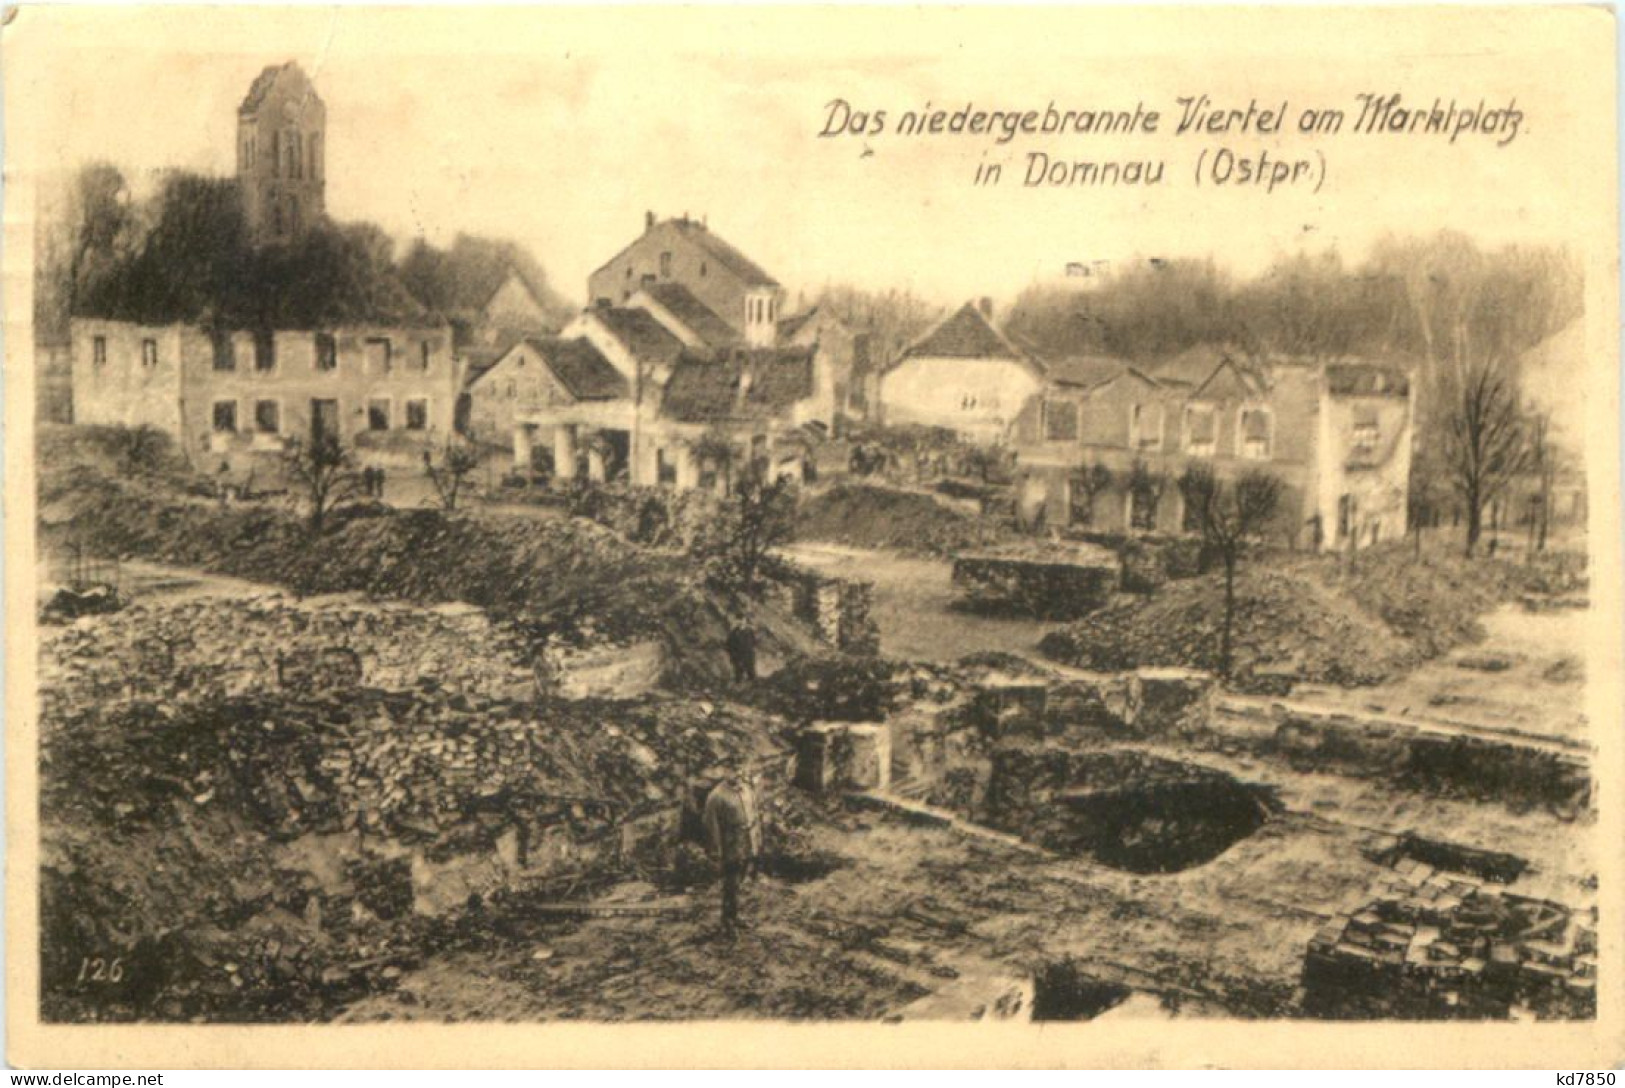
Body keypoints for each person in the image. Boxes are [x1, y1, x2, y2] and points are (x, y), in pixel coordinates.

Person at [702, 764, 762, 938]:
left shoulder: (746, 789)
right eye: (732, 770)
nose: (736, 773)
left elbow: (755, 815)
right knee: (730, 884)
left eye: (739, 769)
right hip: (731, 846)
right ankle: (727, 922)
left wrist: (757, 840)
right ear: (724, 771)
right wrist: (716, 852)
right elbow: (710, 826)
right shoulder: (717, 796)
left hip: (747, 843)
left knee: (739, 882)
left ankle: (734, 916)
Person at [725, 614, 757, 684]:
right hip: (738, 656)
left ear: (745, 621)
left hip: (748, 655)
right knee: (738, 673)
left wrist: (751, 651)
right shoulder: (734, 633)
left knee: (751, 673)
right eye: (738, 620)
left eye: (742, 620)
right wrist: (732, 655)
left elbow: (755, 642)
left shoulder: (750, 631)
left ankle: (753, 688)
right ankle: (738, 689)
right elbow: (728, 644)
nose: (741, 622)